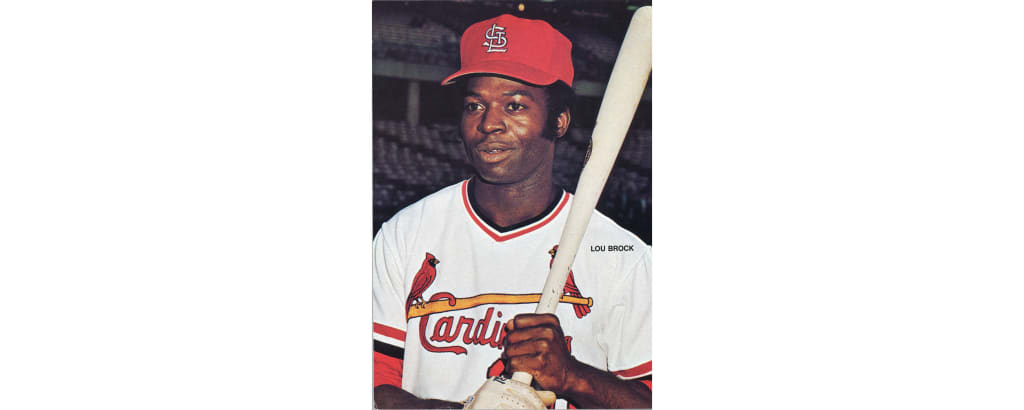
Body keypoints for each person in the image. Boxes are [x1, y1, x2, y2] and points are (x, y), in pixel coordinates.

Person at [372, 14, 652, 409]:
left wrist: (574, 377)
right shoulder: (405, 234)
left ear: (558, 122)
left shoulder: (622, 256)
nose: (489, 123)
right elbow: (373, 386)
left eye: (515, 105)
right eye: (474, 105)